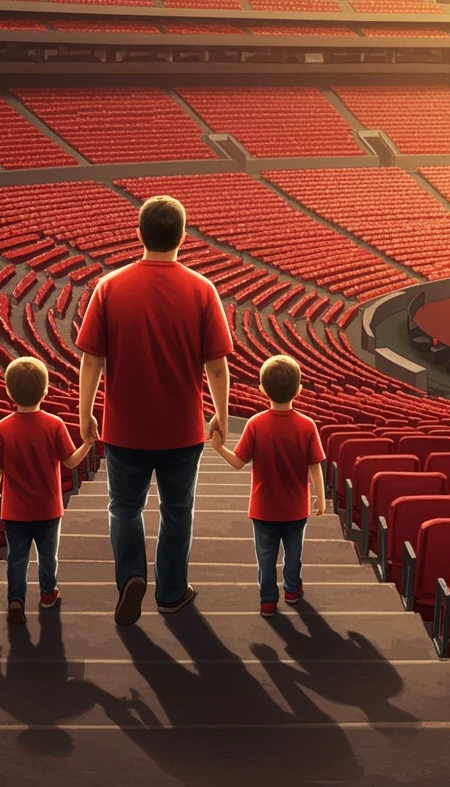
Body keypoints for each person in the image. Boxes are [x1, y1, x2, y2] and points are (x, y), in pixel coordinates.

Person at [77, 194, 232, 627]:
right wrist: (220, 414)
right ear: (184, 236)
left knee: (123, 508)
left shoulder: (109, 287)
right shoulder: (203, 290)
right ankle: (170, 593)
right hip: (182, 430)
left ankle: (130, 577)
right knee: (177, 510)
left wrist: (84, 412)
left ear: (139, 233)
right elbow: (216, 366)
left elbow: (91, 360)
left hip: (123, 428)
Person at [210, 354, 325, 617]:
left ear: (262, 389)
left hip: (263, 509)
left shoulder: (255, 424)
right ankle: (293, 590)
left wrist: (218, 449)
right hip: (296, 509)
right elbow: (315, 465)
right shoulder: (307, 426)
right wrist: (320, 496)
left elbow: (238, 462)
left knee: (265, 557)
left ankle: (267, 601)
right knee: (294, 555)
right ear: (299, 389)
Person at [0, 356, 92, 625]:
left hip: (14, 511)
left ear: (9, 391)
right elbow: (70, 462)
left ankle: (15, 601)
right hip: (48, 510)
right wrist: (89, 443)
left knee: (16, 559)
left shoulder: (2, 428)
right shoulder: (54, 424)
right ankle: (47, 594)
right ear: (46, 390)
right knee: (47, 557)